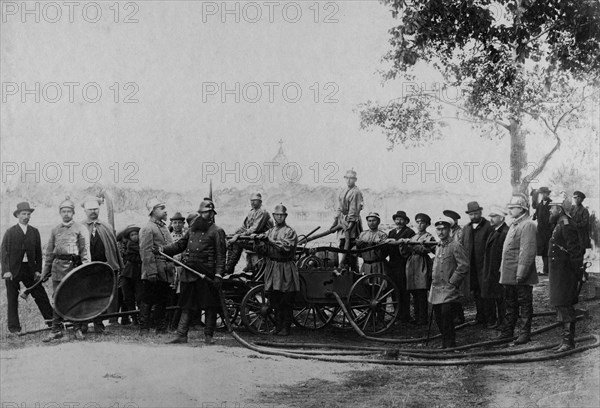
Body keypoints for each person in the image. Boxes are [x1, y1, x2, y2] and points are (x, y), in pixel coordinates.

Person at [161, 200, 226, 344]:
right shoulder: (191, 230)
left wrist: (218, 274)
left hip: (206, 273)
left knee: (210, 305)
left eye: (208, 213)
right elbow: (179, 245)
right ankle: (181, 335)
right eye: (203, 213)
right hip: (189, 272)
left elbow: (221, 256)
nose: (205, 216)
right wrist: (164, 249)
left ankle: (208, 337)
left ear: (212, 215)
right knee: (186, 305)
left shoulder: (217, 231)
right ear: (199, 213)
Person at [42, 199, 91, 342]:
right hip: (58, 268)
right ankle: (55, 329)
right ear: (60, 213)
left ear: (73, 213)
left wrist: (85, 269)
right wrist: (46, 270)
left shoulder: (80, 228)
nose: (66, 214)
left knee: (74, 298)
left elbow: (85, 251)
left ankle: (76, 329)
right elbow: (50, 252)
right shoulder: (55, 230)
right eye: (63, 211)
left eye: (69, 211)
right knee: (58, 298)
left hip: (73, 268)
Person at [1, 202, 53, 333]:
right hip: (13, 270)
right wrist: (6, 271)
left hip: (29, 269)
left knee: (40, 293)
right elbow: (3, 252)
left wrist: (37, 270)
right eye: (23, 214)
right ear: (17, 215)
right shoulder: (10, 232)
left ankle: (52, 321)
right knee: (12, 298)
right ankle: (14, 328)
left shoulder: (34, 232)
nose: (26, 216)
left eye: (28, 214)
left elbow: (38, 253)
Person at [252, 204, 299, 336]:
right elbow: (264, 250)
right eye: (277, 215)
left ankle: (285, 328)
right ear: (273, 216)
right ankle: (277, 327)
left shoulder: (290, 232)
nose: (279, 217)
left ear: (285, 216)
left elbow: (286, 248)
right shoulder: (270, 231)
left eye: (281, 215)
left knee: (286, 300)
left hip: (286, 268)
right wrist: (257, 242)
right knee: (274, 299)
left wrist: (269, 240)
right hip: (272, 267)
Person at [498, 195, 538, 345]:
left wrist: (521, 274)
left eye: (512, 208)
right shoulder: (515, 225)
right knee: (510, 304)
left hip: (520, 275)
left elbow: (527, 252)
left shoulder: (528, 225)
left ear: (522, 209)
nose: (509, 210)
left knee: (524, 304)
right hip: (509, 274)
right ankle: (508, 331)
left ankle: (524, 333)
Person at [81, 197, 124, 333]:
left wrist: (118, 265)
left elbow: (114, 248)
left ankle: (99, 323)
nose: (93, 212)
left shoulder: (107, 227)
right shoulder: (80, 227)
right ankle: (84, 323)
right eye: (90, 210)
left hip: (104, 267)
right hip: (87, 268)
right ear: (85, 211)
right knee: (86, 296)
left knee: (101, 296)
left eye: (95, 209)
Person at [548, 198, 583, 352]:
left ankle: (568, 342)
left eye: (552, 208)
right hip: (559, 273)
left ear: (560, 209)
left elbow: (575, 253)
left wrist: (576, 274)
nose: (550, 210)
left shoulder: (567, 225)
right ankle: (565, 340)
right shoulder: (560, 223)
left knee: (565, 306)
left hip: (565, 274)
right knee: (561, 305)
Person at [429, 216, 469, 348]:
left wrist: (453, 282)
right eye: (438, 229)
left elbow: (463, 265)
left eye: (444, 229)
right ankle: (444, 341)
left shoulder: (455, 245)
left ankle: (450, 343)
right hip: (437, 288)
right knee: (438, 317)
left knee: (447, 317)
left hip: (448, 289)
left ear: (449, 230)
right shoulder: (438, 246)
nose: (441, 232)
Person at [138, 198, 175, 335]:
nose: (165, 210)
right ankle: (144, 328)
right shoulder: (148, 228)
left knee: (162, 300)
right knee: (147, 299)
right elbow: (146, 252)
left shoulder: (163, 227)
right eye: (161, 208)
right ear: (153, 211)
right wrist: (151, 272)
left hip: (165, 270)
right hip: (153, 271)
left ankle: (160, 328)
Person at [460, 201, 493, 326]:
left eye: (476, 213)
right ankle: (480, 317)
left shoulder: (488, 227)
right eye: (471, 214)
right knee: (476, 293)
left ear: (480, 212)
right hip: (471, 267)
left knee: (487, 293)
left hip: (484, 266)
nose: (473, 216)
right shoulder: (467, 228)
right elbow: (462, 246)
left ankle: (490, 318)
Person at [226, 193, 273, 274]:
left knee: (238, 242)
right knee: (231, 240)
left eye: (255, 201)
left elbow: (255, 229)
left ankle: (230, 267)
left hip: (263, 241)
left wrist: (238, 236)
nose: (252, 203)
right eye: (251, 201)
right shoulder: (251, 212)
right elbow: (244, 227)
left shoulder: (263, 212)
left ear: (260, 202)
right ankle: (228, 266)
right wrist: (234, 234)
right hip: (253, 239)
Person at [403, 213, 436, 326]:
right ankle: (417, 317)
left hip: (422, 264)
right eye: (418, 222)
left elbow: (432, 249)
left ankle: (423, 318)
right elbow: (406, 251)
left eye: (422, 222)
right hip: (412, 264)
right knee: (414, 292)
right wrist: (404, 245)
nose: (420, 224)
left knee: (421, 292)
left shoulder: (429, 237)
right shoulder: (413, 237)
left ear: (427, 224)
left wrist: (419, 248)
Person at [481, 206, 509, 330]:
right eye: (490, 216)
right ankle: (500, 321)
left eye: (493, 216)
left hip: (498, 270)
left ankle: (504, 322)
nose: (491, 219)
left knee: (502, 298)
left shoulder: (504, 232)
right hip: (492, 270)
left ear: (501, 218)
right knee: (497, 297)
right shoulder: (495, 231)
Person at [331, 170, 363, 271]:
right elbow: (339, 207)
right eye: (347, 178)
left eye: (351, 178)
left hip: (352, 224)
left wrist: (349, 227)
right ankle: (343, 270)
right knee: (342, 246)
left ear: (355, 180)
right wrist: (335, 222)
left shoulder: (356, 192)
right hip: (342, 221)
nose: (349, 180)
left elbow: (354, 210)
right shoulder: (343, 190)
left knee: (351, 250)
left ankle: (353, 273)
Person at [386, 211, 415, 322]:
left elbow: (410, 248)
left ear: (406, 221)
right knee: (394, 289)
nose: (399, 221)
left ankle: (405, 315)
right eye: (397, 219)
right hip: (392, 263)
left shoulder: (409, 232)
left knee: (403, 290)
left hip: (403, 264)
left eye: (402, 219)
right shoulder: (391, 232)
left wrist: (399, 243)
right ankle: (397, 314)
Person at [443, 209, 466, 324]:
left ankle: (459, 316)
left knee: (455, 288)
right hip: (449, 263)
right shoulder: (447, 231)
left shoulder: (459, 233)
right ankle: (452, 315)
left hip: (457, 263)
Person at [119, 225, 143, 325]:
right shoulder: (131, 244)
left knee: (140, 296)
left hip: (139, 273)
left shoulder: (142, 243)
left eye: (136, 234)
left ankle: (141, 318)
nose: (134, 237)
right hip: (129, 273)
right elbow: (142, 252)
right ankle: (134, 318)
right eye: (132, 235)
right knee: (128, 298)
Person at [168, 211, 186, 331]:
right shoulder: (168, 236)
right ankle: (169, 322)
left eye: (180, 223)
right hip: (171, 268)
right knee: (170, 296)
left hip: (183, 269)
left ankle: (177, 323)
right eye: (175, 223)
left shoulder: (186, 235)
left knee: (181, 296)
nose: (177, 225)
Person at [531, 187, 553, 275]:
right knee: (543, 250)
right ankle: (545, 270)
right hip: (540, 231)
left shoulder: (551, 204)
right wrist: (534, 216)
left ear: (548, 194)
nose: (544, 195)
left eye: (546, 193)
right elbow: (535, 216)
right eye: (542, 193)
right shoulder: (539, 205)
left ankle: (548, 270)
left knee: (548, 250)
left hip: (548, 231)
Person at [569, 191, 591, 260]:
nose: (576, 200)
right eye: (575, 198)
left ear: (582, 200)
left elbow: (585, 223)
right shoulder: (572, 209)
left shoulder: (584, 210)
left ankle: (579, 269)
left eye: (578, 198)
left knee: (580, 254)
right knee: (571, 253)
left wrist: (574, 225)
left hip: (580, 236)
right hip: (572, 235)